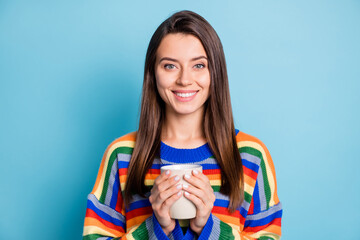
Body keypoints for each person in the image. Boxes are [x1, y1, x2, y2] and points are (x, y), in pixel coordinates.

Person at [82, 10, 282, 240]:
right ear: (152, 73)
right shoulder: (123, 155)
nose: (185, 80)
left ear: (215, 72)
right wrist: (156, 228)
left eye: (198, 65)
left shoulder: (250, 156)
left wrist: (207, 227)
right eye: (170, 66)